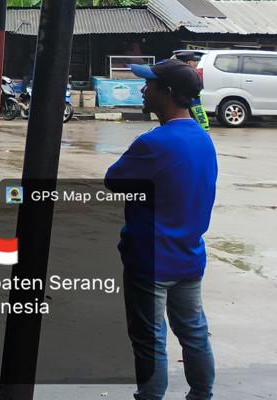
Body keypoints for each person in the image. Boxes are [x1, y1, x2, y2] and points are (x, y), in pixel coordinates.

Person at [105, 58, 216, 400]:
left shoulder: (154, 143)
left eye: (149, 84)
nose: (142, 89)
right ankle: (202, 395)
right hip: (189, 256)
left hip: (150, 260)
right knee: (194, 332)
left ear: (166, 93)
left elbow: (114, 180)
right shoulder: (203, 139)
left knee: (149, 339)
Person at [172, 50, 210, 131]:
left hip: (175, 120)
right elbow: (197, 108)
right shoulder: (192, 78)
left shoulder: (173, 76)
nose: (196, 63)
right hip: (189, 120)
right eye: (195, 61)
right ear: (189, 63)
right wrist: (205, 127)